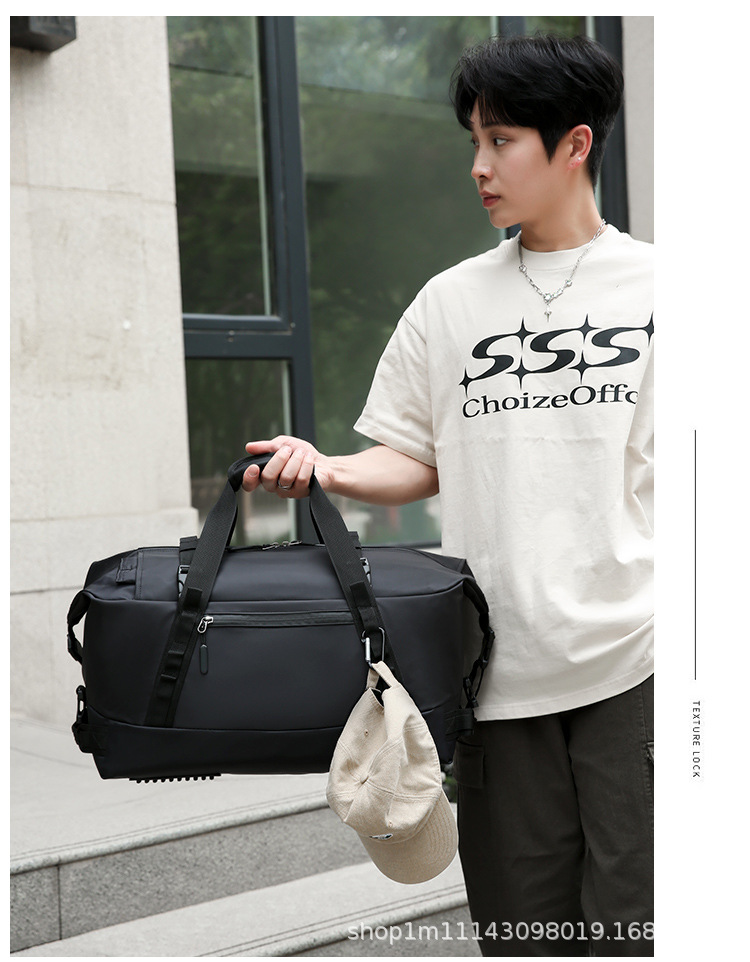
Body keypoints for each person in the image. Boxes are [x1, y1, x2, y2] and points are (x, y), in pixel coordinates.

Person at [242, 34, 653, 958]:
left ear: (575, 144)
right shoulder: (449, 302)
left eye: (501, 140)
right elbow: (414, 455)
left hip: (640, 660)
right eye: (474, 141)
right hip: (494, 669)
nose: (479, 166)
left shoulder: (667, 290)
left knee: (645, 925)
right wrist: (328, 466)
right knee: (521, 929)